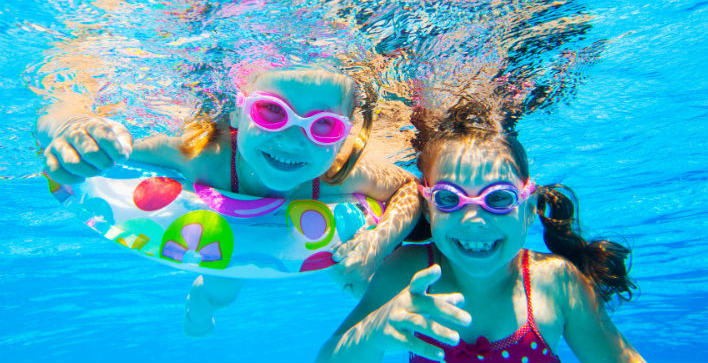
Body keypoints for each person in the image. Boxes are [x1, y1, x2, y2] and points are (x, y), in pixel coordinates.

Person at [36, 62, 421, 336]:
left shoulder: (344, 172)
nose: (291, 141)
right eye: (272, 112)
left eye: (323, 126)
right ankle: (200, 309)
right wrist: (73, 129)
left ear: (344, 137)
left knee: (356, 281)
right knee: (221, 291)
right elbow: (111, 144)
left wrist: (379, 239)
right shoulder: (204, 154)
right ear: (238, 113)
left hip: (306, 237)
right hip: (226, 238)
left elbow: (408, 190)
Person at [317, 98, 645, 363]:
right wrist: (377, 329)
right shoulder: (409, 271)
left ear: (529, 210)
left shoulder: (556, 282)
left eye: (498, 199)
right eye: (449, 198)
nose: (474, 219)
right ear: (428, 210)